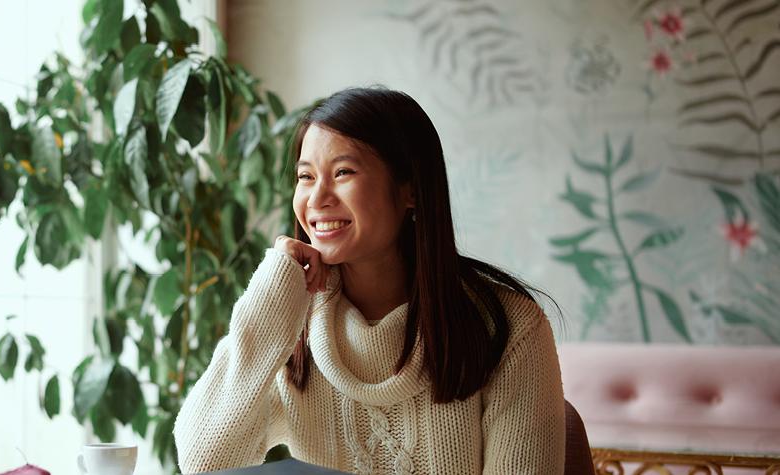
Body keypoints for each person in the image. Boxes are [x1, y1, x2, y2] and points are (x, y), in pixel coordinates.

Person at [173, 87, 564, 474]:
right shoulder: (291, 322)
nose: (316, 198)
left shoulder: (510, 329)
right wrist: (271, 294)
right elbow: (203, 463)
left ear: (410, 189)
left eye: (343, 172)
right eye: (305, 176)